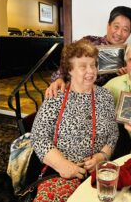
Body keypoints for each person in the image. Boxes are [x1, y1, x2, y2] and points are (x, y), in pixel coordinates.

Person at [31, 39, 118, 202]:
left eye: (93, 65)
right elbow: (38, 137)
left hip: (98, 174)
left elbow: (113, 135)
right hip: (60, 175)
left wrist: (101, 157)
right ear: (69, 70)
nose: (91, 71)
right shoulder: (57, 95)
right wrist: (62, 165)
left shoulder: (105, 96)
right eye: (83, 66)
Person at [47, 6, 131, 97]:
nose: (119, 33)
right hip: (73, 94)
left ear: (129, 33)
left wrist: (127, 78)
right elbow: (66, 65)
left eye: (125, 30)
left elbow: (128, 91)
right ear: (108, 25)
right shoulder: (89, 42)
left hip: (102, 101)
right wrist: (59, 79)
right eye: (116, 26)